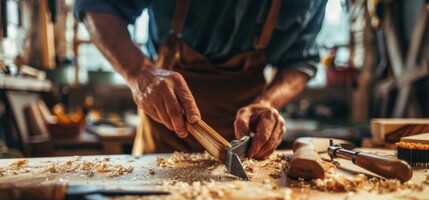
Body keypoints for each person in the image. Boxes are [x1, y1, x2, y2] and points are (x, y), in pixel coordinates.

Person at [74, 0, 327, 159]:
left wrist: (269, 102)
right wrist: (139, 72)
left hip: (245, 135)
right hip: (164, 128)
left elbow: (301, 61)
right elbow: (97, 6)